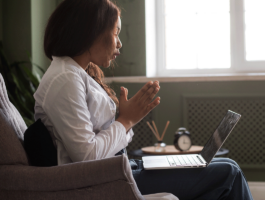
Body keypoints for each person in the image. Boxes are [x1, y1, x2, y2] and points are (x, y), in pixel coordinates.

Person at [34, 0, 253, 199]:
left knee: (226, 164)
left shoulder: (76, 74)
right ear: (91, 32)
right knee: (229, 173)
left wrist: (124, 118)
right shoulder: (65, 79)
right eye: (116, 32)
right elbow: (87, 157)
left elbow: (109, 140)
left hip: (120, 169)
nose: (119, 43)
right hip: (101, 182)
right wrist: (126, 120)